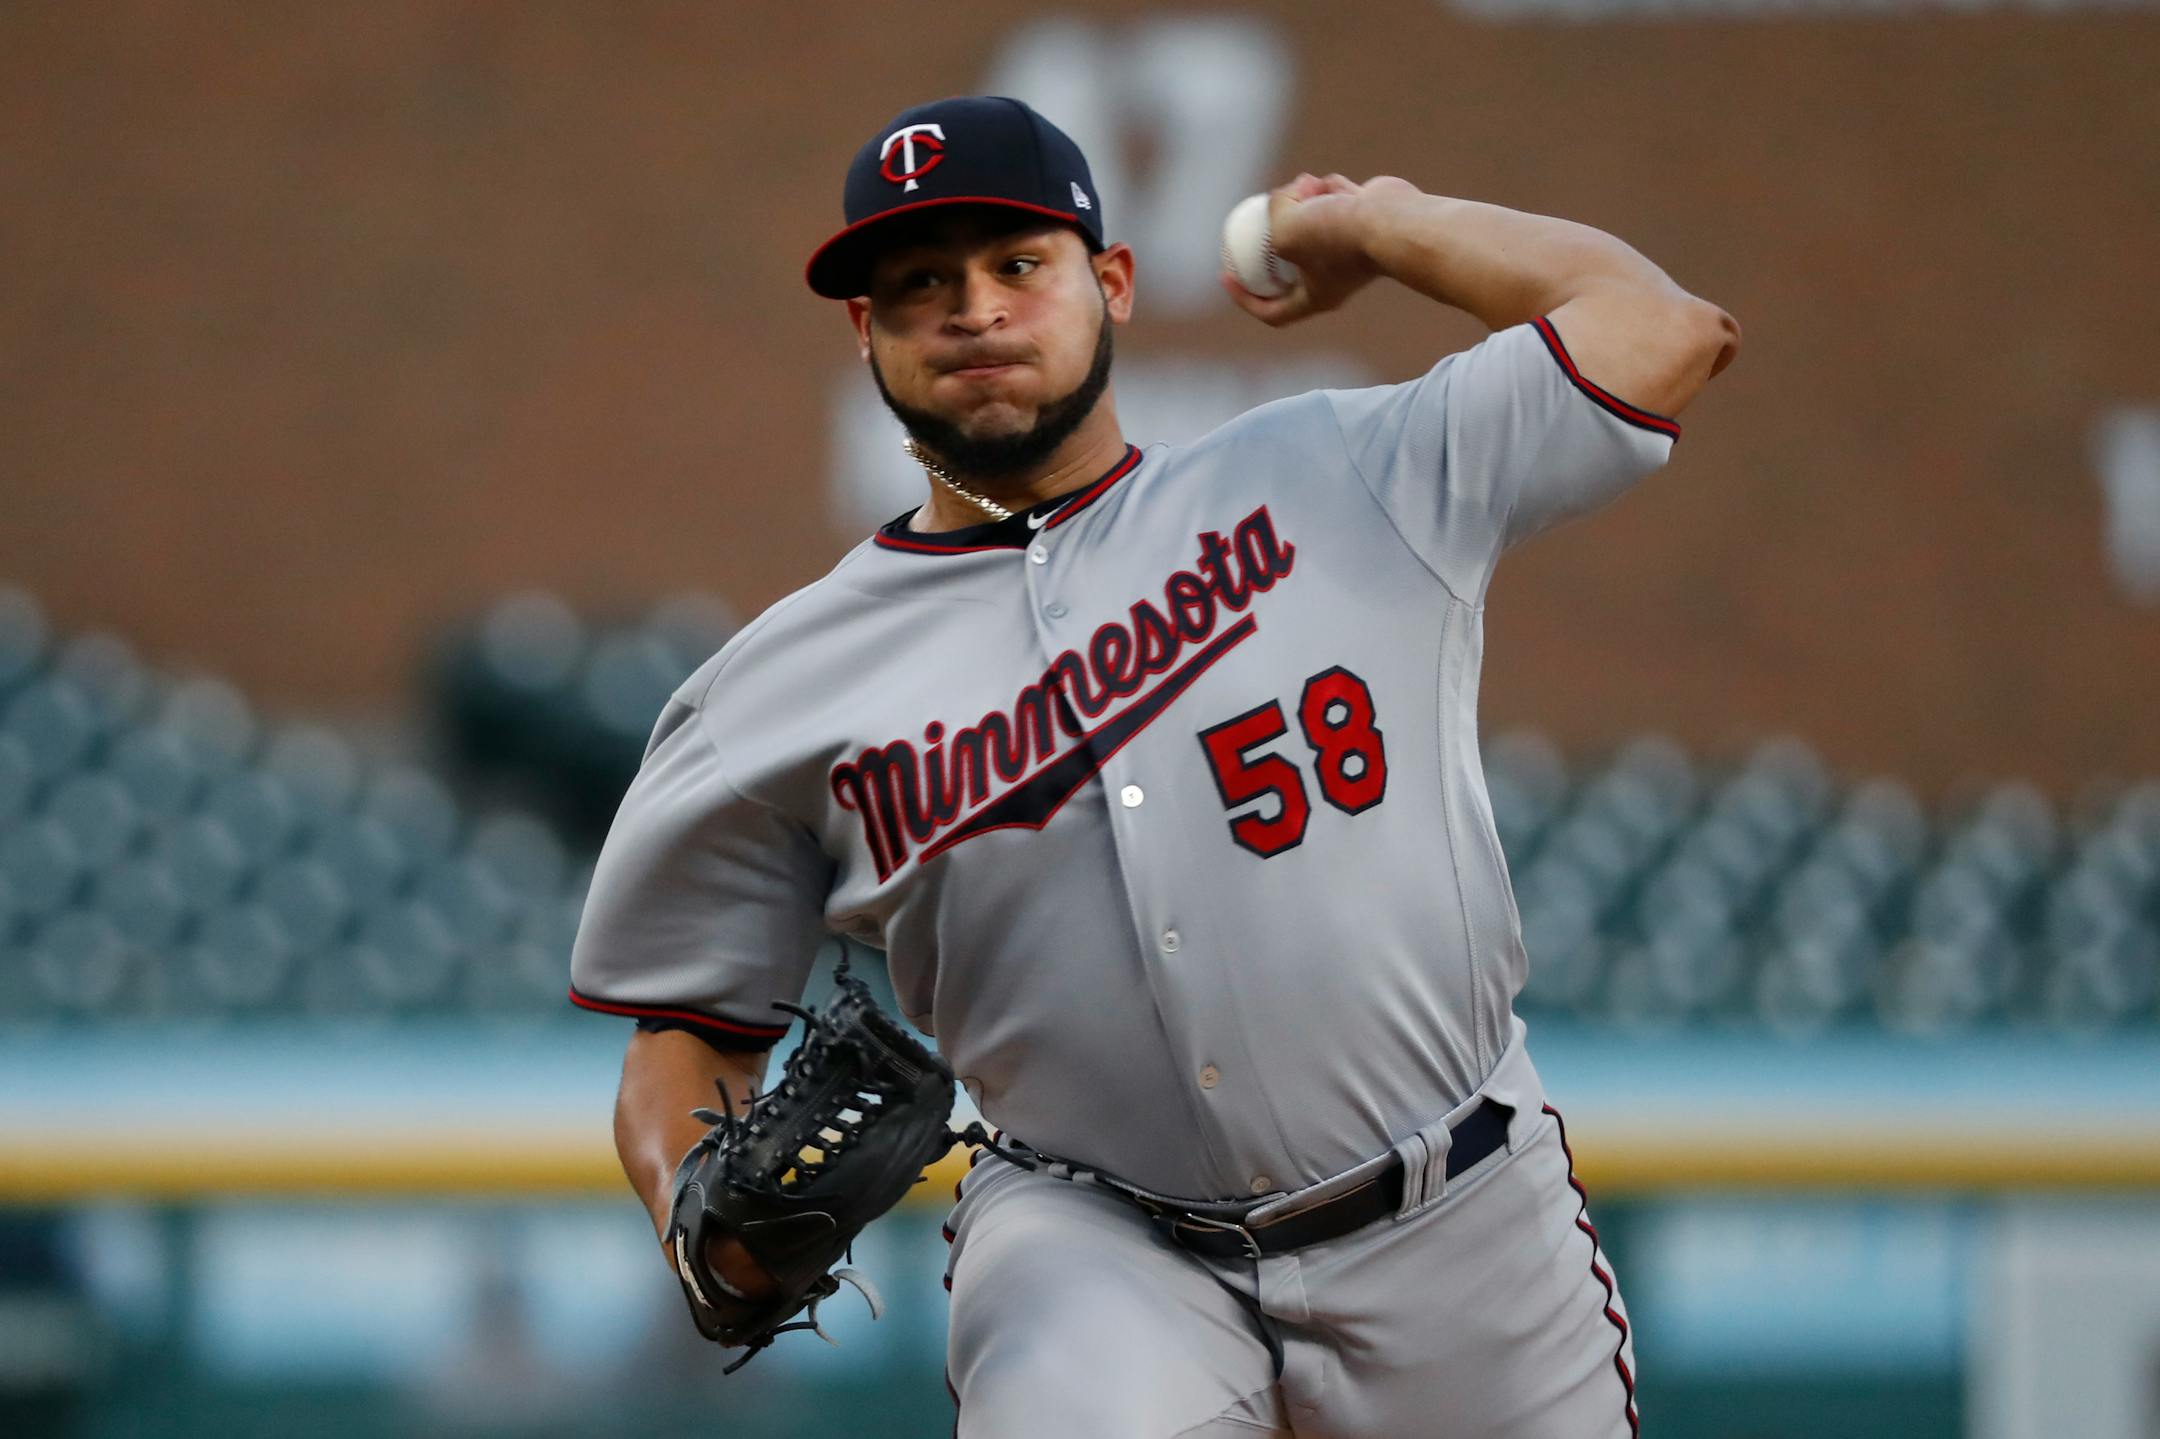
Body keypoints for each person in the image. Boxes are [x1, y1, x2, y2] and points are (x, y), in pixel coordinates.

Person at [570, 94, 1738, 1438]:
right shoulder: (771, 691)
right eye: (919, 285)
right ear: (866, 332)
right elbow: (690, 1037)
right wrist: (694, 1213)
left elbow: (1666, 334)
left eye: (1019, 264)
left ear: (1111, 282)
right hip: (1094, 1241)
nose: (974, 308)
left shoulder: (1338, 473)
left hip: (1455, 1203)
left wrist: (1383, 225)